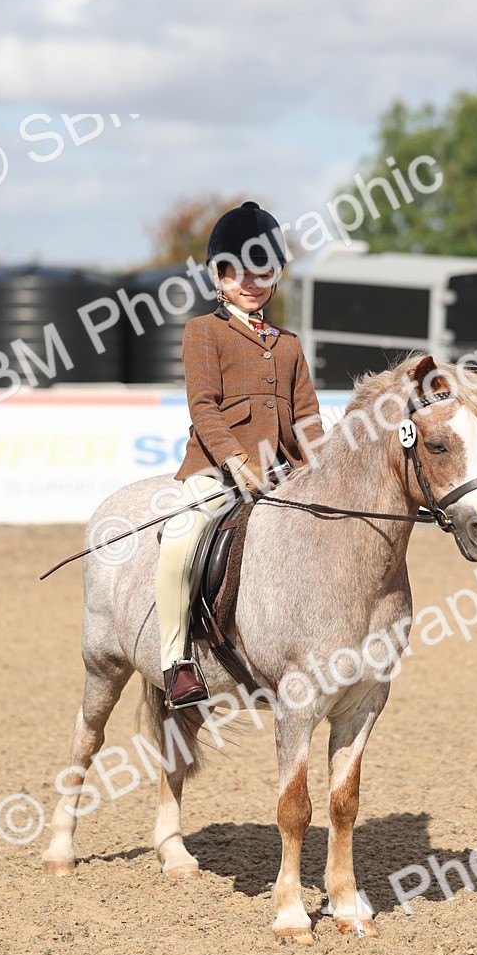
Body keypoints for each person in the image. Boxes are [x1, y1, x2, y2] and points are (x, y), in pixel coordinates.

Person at [156, 200, 324, 708]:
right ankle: (176, 660)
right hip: (216, 471)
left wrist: (323, 469)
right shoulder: (203, 332)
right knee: (180, 541)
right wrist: (235, 461)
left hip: (281, 475)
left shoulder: (290, 344)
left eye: (262, 271)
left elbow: (308, 419)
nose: (250, 283)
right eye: (237, 272)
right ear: (218, 275)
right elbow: (203, 408)